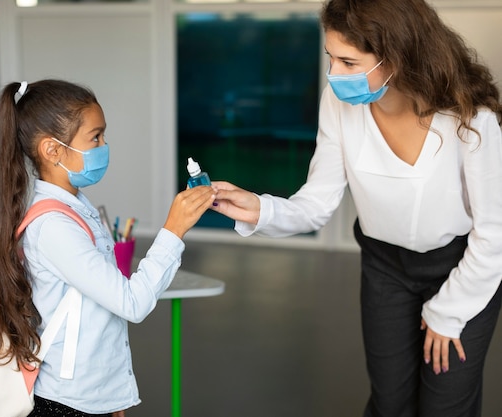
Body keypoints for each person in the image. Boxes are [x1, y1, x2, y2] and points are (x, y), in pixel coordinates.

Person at [210, 0, 502, 416]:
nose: (334, 75)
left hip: (462, 268)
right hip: (384, 267)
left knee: (447, 406)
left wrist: (449, 311)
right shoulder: (338, 103)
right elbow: (316, 203)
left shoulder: (472, 117)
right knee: (390, 403)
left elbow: (494, 234)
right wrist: (258, 209)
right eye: (331, 58)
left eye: (349, 62)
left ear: (398, 55)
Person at [0, 79, 215, 417]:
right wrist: (174, 229)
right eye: (95, 137)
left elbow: (92, 308)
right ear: (52, 150)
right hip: (67, 403)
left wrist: (109, 396)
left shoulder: (74, 207)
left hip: (87, 396)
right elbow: (131, 303)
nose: (103, 146)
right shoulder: (55, 227)